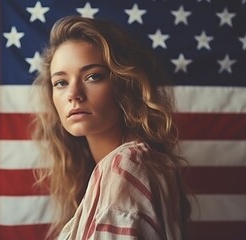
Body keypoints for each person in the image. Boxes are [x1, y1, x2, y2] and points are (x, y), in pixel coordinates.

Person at [31, 15, 191, 240]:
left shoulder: (124, 168)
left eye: (93, 76)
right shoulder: (140, 163)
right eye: (61, 82)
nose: (73, 94)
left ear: (124, 83)